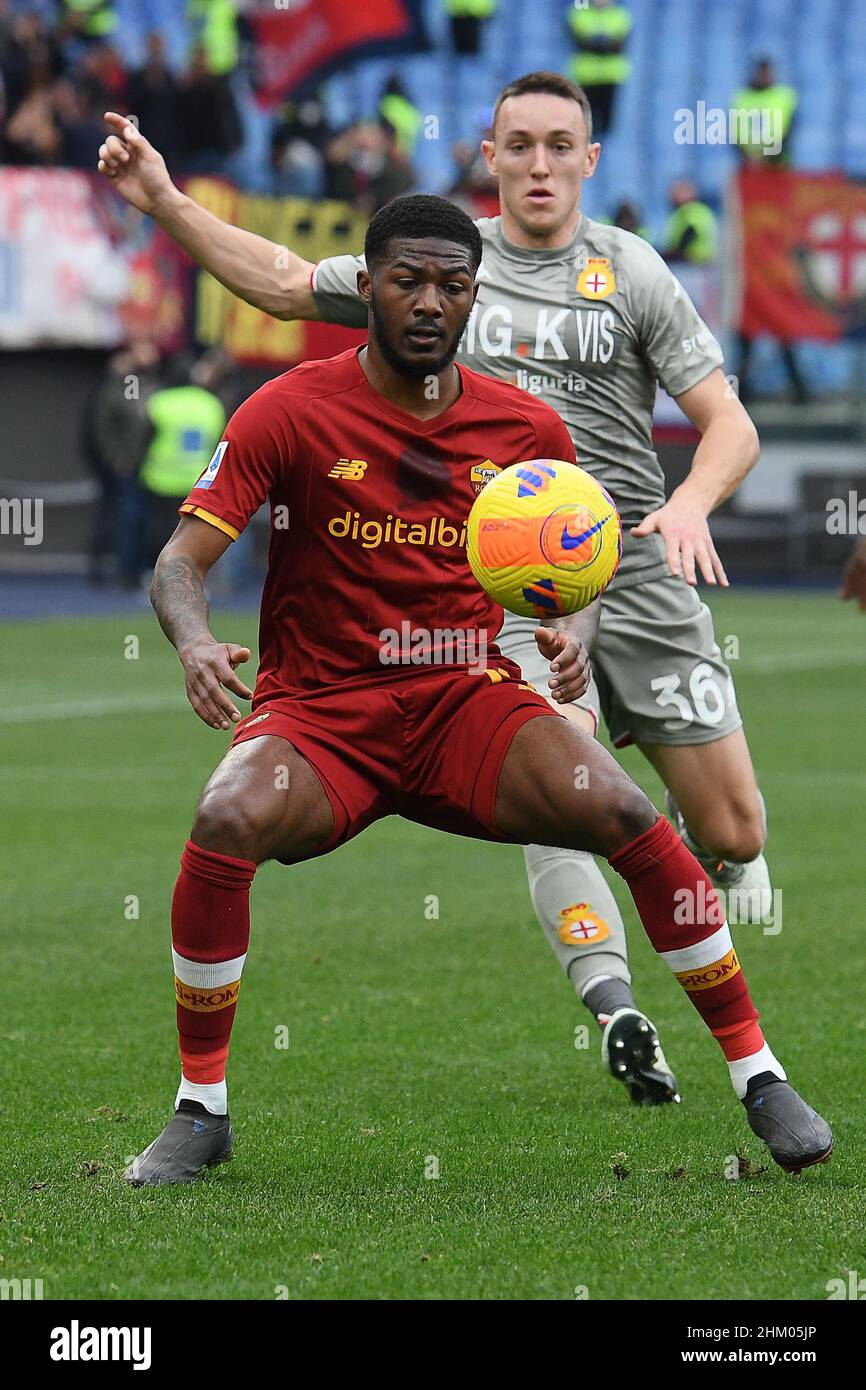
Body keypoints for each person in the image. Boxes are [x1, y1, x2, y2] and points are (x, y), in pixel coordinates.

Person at [93, 75, 783, 1109]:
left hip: (576, 600)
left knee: (689, 822)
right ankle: (607, 1004)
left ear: (587, 161)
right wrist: (160, 197)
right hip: (404, 649)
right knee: (528, 788)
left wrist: (650, 539)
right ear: (490, 156)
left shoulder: (618, 288)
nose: (539, 163)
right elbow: (277, 291)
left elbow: (711, 432)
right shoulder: (370, 325)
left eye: (560, 144)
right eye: (519, 145)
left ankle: (731, 987)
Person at [566, 0, 632, 137]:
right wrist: (604, 44)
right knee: (585, 123)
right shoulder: (578, 15)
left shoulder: (621, 16)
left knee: (607, 124)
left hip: (610, 77)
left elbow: (620, 46)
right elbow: (578, 43)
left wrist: (595, 44)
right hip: (586, 77)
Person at [731, 58, 797, 165]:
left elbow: (787, 132)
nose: (764, 77)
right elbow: (736, 132)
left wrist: (766, 155)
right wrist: (748, 154)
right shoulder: (741, 97)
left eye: (767, 73)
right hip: (748, 161)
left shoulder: (785, 96)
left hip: (777, 162)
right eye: (761, 73)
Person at [662, 179, 717, 266]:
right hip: (701, 261)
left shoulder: (691, 209)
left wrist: (676, 252)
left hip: (692, 261)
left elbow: (692, 230)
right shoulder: (701, 209)